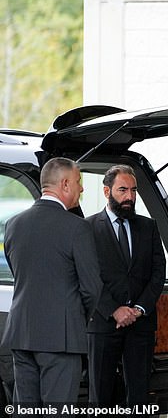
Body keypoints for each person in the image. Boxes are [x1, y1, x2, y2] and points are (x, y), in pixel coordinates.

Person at [1, 157, 102, 403]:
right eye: (79, 181)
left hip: (22, 334)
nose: (82, 188)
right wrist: (74, 317)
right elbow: (92, 288)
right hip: (62, 339)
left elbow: (21, 276)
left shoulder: (14, 224)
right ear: (65, 184)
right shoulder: (77, 228)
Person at [86, 164, 166, 407]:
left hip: (140, 325)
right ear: (106, 192)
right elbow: (88, 277)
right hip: (102, 323)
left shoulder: (148, 226)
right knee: (100, 397)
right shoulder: (87, 228)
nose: (130, 197)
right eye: (123, 190)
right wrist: (114, 309)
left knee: (139, 398)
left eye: (133, 190)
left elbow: (157, 273)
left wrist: (140, 308)